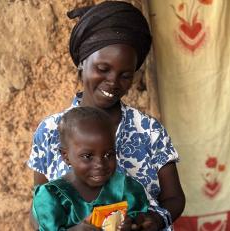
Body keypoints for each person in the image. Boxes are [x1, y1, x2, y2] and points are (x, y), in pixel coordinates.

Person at [28, 1, 185, 230]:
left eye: (125, 75)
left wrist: (157, 219)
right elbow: (38, 213)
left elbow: (175, 198)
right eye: (103, 69)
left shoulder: (149, 131)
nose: (113, 81)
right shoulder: (51, 131)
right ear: (82, 62)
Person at [32, 107, 149, 230]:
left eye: (108, 154)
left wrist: (131, 226)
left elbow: (141, 221)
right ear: (66, 156)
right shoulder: (52, 196)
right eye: (87, 156)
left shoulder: (126, 188)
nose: (100, 164)